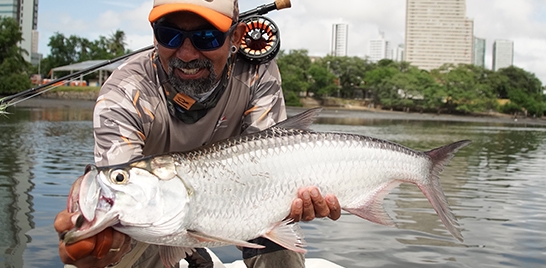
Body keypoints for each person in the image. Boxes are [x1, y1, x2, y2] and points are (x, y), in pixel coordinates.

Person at [54, 0, 341, 267]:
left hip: (243, 194)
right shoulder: (123, 93)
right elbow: (125, 195)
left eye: (207, 38)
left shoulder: (257, 72)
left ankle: (195, 247)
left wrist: (295, 197)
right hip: (160, 206)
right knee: (139, 227)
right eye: (170, 35)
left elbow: (268, 171)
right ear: (154, 36)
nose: (187, 54)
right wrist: (104, 246)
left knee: (277, 230)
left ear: (237, 37)